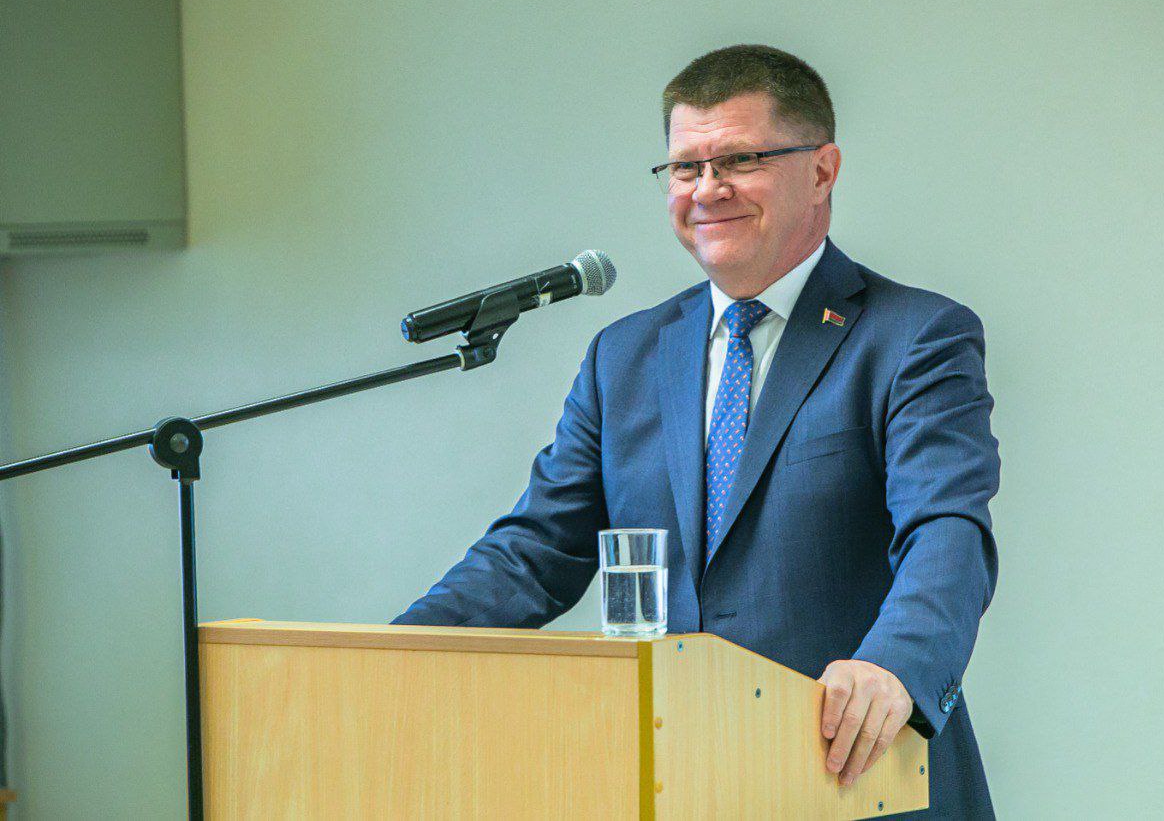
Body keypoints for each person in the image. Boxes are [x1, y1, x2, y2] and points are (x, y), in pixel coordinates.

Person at [393, 44, 1000, 818]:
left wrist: (894, 668)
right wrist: (391, 656)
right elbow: (536, 552)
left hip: (859, 781)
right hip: (677, 783)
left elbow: (947, 531)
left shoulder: (914, 336)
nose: (708, 189)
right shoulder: (626, 356)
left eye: (740, 160)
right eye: (685, 168)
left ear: (821, 171)